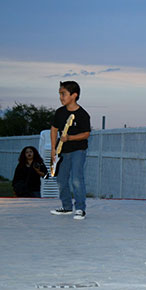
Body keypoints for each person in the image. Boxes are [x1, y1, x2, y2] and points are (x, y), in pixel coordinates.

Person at [49, 81, 91, 220]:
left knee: (77, 179)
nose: (61, 97)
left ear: (74, 95)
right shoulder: (59, 112)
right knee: (61, 179)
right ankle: (67, 207)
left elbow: (86, 134)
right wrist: (53, 149)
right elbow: (54, 129)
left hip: (78, 150)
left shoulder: (82, 114)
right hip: (62, 151)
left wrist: (70, 138)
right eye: (60, 94)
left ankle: (80, 208)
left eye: (63, 94)